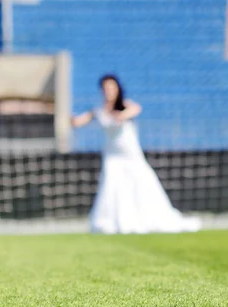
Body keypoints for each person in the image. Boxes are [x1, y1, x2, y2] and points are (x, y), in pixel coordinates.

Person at [71, 74, 202, 234]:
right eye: (105, 88)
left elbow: (135, 109)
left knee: (142, 185)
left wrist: (121, 114)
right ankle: (114, 221)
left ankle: (147, 217)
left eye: (112, 87)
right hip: (112, 157)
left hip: (131, 156)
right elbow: (78, 121)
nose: (109, 91)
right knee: (112, 189)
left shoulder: (126, 106)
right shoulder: (98, 110)